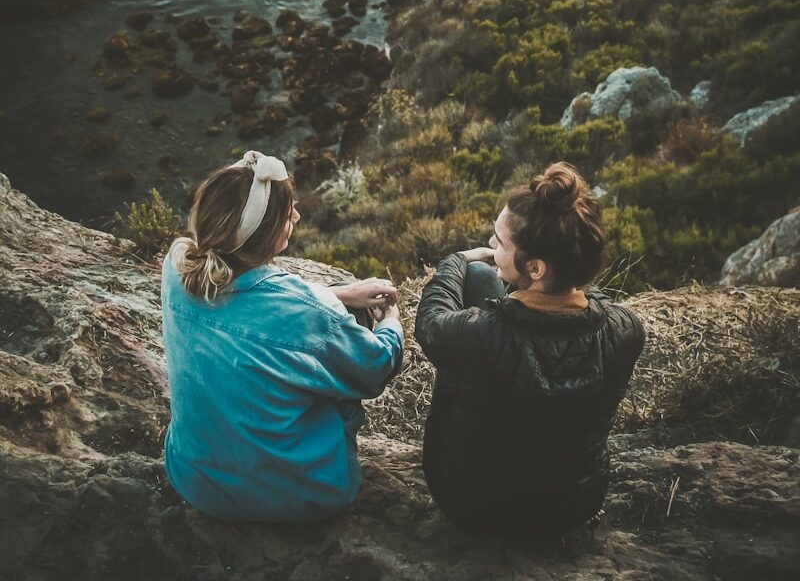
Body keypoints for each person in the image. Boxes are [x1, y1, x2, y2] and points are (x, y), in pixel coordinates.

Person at [160, 150, 404, 523]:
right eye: (287, 211)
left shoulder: (176, 264)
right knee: (342, 363)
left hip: (194, 480)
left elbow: (252, 309)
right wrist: (391, 319)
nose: (296, 216)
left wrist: (338, 294)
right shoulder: (306, 312)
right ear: (264, 233)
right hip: (296, 496)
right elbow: (376, 367)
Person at [415, 162, 645, 539]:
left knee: (477, 276)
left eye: (499, 242)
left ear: (535, 267)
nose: (491, 246)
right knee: (487, 281)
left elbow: (431, 320)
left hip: (473, 505)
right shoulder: (626, 331)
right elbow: (589, 304)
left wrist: (455, 261)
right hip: (572, 506)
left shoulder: (477, 335)